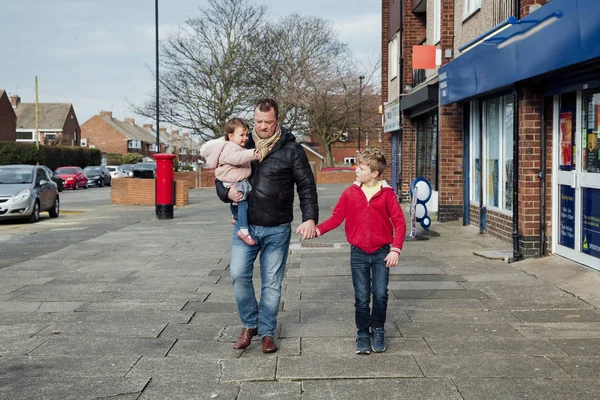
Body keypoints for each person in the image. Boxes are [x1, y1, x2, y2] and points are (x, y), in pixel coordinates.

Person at [216, 98, 318, 353]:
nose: (262, 127)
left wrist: (310, 217)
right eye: (258, 122)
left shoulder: (292, 149)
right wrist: (225, 194)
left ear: (277, 121)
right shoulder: (240, 144)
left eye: (268, 122)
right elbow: (220, 174)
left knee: (271, 283)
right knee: (238, 275)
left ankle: (267, 332)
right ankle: (250, 325)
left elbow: (306, 185)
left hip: (277, 226)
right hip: (245, 225)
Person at [309, 149, 406, 354]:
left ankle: (377, 329)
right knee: (361, 296)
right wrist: (317, 230)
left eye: (361, 168)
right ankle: (363, 333)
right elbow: (336, 217)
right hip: (358, 253)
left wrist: (395, 249)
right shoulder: (350, 193)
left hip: (382, 252)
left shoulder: (387, 195)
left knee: (380, 294)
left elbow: (399, 222)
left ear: (374, 173)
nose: (356, 170)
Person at [201, 118, 258, 245]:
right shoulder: (231, 147)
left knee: (237, 201)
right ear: (231, 136)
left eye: (246, 134)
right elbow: (236, 159)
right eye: (242, 135)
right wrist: (254, 153)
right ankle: (243, 230)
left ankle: (235, 216)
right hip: (234, 180)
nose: (245, 138)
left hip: (231, 179)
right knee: (243, 202)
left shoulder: (234, 145)